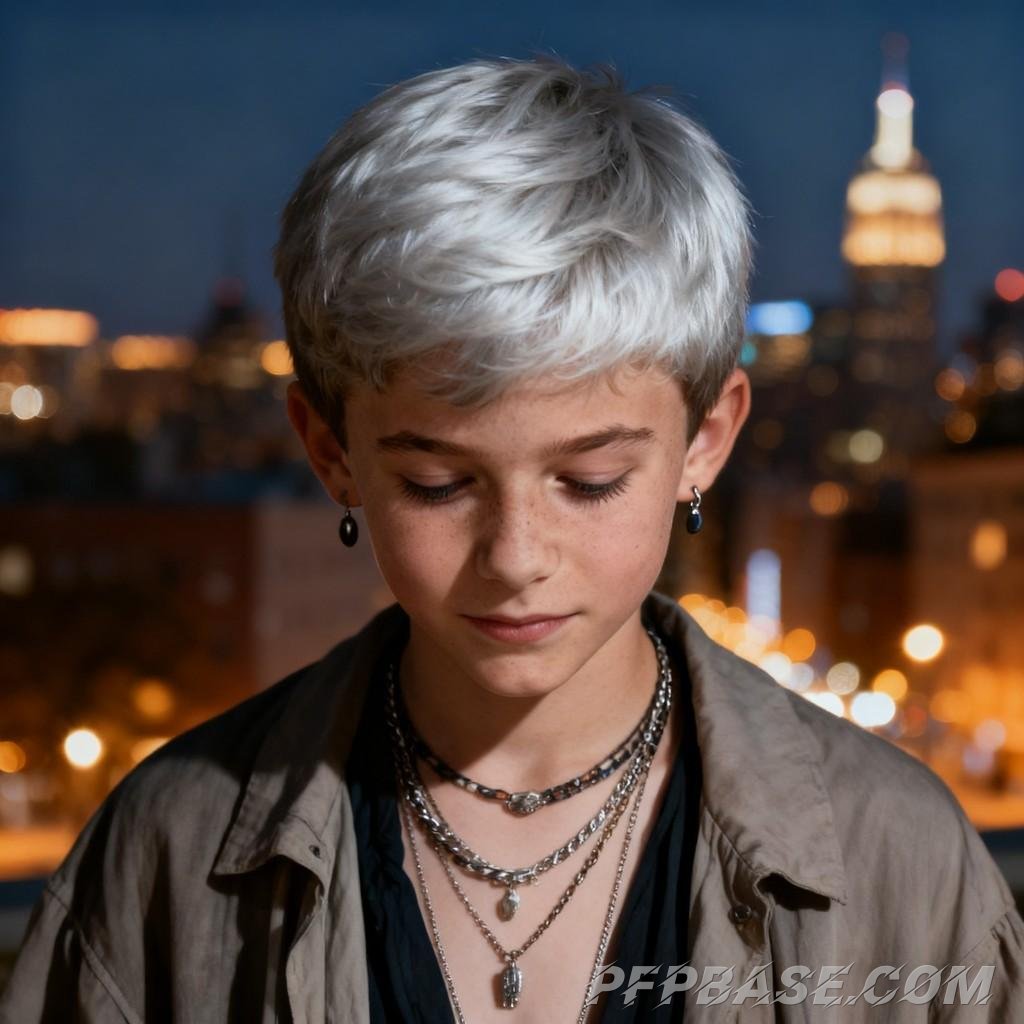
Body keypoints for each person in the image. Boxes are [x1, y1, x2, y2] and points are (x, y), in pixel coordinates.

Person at [2, 53, 1022, 1024]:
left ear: (704, 441)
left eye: (590, 480)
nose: (516, 554)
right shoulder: (163, 852)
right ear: (329, 451)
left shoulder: (901, 860)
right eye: (438, 482)